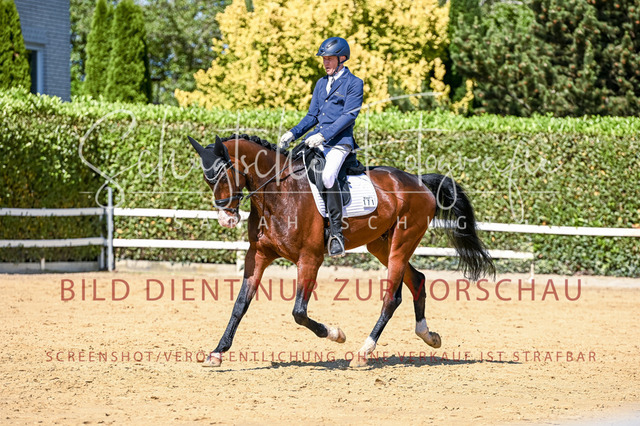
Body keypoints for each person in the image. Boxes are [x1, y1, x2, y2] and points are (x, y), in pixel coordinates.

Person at [279, 37, 364, 257]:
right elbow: (312, 116)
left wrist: (323, 135)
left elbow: (349, 116)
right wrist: (293, 133)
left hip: (339, 143)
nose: (325, 63)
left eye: (329, 59)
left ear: (342, 58)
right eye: (324, 59)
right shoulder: (320, 83)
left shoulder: (354, 83)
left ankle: (336, 234)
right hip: (317, 141)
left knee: (327, 177)